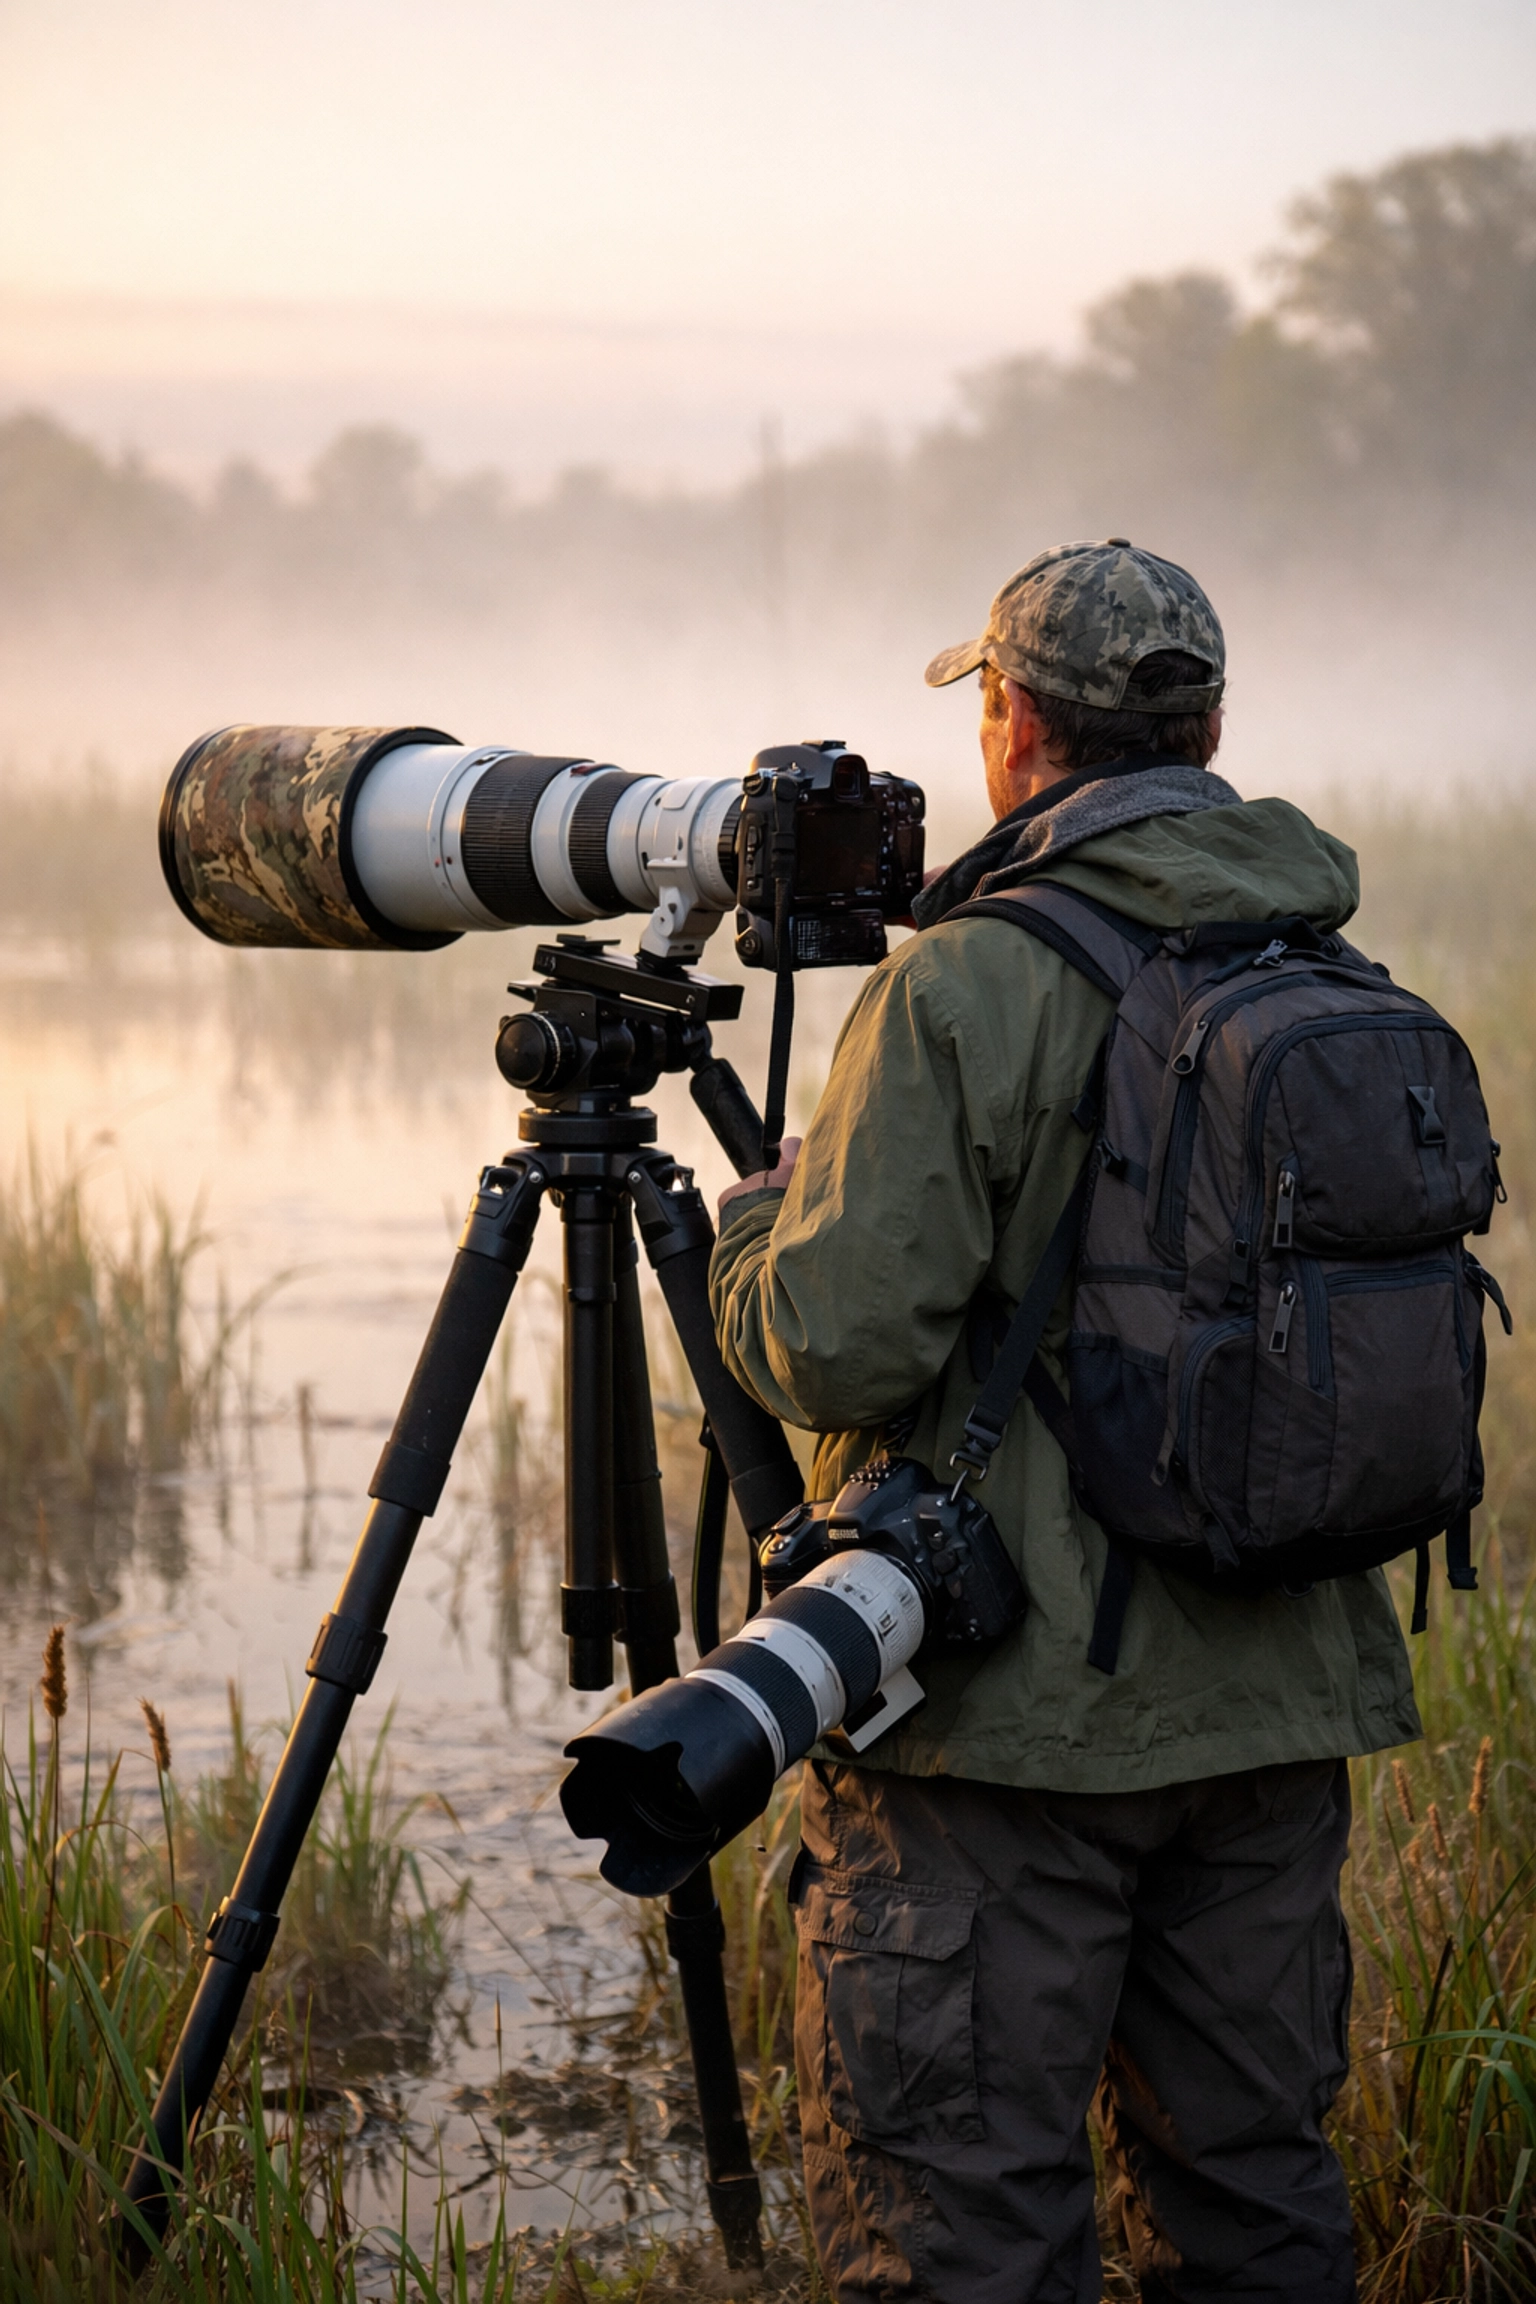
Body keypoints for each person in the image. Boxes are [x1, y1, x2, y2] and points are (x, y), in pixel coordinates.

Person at [708, 540, 1417, 2303]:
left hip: (1004, 1742)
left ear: (1013, 726)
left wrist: (747, 1230)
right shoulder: (1318, 948)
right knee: (1256, 2204)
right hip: (1271, 1711)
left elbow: (833, 1346)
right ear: (1211, 726)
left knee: (960, 2232)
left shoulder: (969, 980)